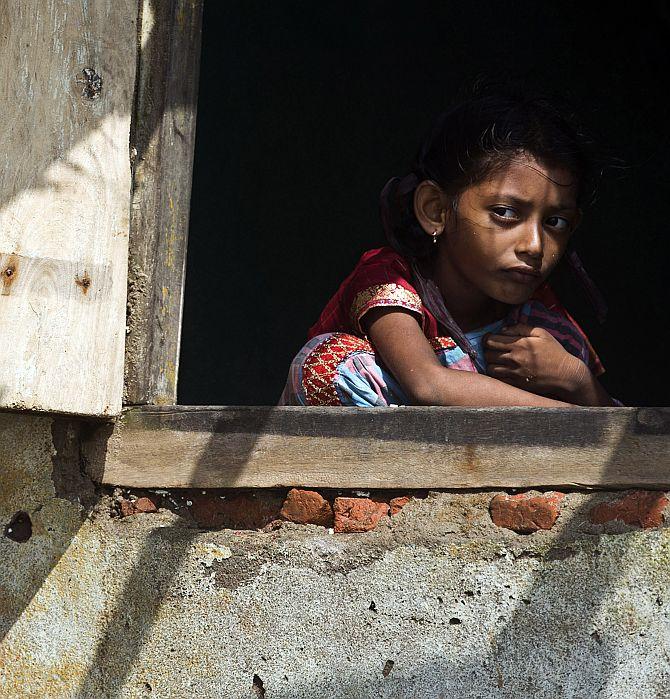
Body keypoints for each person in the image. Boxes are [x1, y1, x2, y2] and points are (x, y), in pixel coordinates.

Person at [279, 87, 620, 407]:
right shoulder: (387, 278)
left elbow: (624, 438)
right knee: (328, 360)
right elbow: (428, 384)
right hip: (390, 462)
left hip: (499, 466)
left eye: (555, 222)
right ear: (436, 210)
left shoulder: (541, 320)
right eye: (504, 213)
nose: (534, 245)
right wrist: (569, 417)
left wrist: (576, 379)